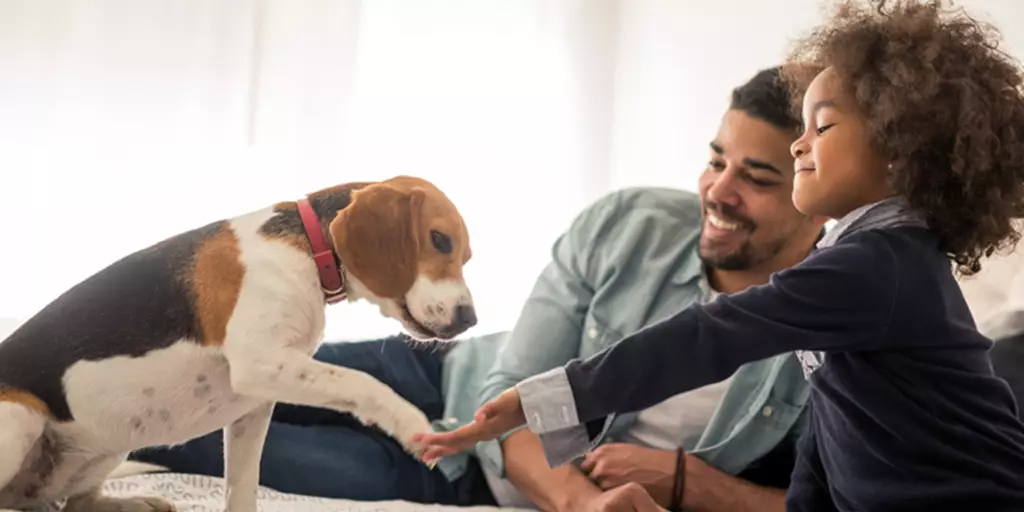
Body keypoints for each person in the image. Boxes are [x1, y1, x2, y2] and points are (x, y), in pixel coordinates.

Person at [416, 1, 1024, 510]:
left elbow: (708, 337)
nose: (799, 145)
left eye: (823, 127)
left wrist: (540, 399)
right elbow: (831, 440)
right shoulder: (865, 263)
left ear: (898, 149)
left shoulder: (878, 268)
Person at [130, 65, 825, 511]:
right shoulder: (631, 223)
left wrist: (692, 485)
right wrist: (582, 506)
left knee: (185, 437)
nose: (718, 191)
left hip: (458, 473)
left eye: (757, 179)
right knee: (203, 371)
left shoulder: (834, 325)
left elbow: (827, 497)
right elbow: (517, 382)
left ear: (815, 191)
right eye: (714, 160)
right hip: (446, 371)